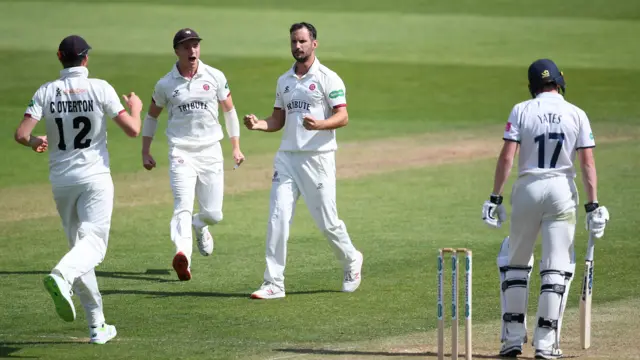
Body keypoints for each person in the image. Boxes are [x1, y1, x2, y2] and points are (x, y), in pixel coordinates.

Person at [14, 35, 142, 344]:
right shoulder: (100, 88)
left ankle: (97, 325)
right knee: (93, 245)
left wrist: (35, 142)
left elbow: (21, 134)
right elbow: (133, 129)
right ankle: (61, 276)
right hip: (94, 176)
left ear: (60, 58)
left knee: (80, 250)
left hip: (62, 181)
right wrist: (135, 107)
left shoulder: (46, 91)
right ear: (85, 59)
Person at [481, 58, 610, 359]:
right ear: (559, 83)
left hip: (528, 188)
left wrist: (495, 197)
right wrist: (593, 206)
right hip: (562, 191)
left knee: (515, 261)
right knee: (557, 266)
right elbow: (587, 163)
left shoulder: (522, 109)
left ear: (532, 86)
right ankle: (546, 344)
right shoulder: (577, 113)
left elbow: (506, 158)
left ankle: (512, 340)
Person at [243, 22, 363, 300]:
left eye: (302, 42)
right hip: (286, 158)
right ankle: (274, 283)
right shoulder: (284, 80)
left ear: (314, 44)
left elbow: (342, 116)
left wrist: (320, 125)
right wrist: (259, 124)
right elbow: (278, 119)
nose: (297, 47)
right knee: (277, 217)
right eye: (293, 42)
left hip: (317, 158)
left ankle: (351, 259)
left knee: (327, 222)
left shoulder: (328, 77)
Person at [141, 28, 245, 281]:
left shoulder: (215, 76)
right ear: (177, 51)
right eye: (187, 46)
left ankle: (200, 225)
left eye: (196, 45)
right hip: (181, 151)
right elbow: (152, 116)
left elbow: (229, 112)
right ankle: (183, 256)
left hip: (210, 149)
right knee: (182, 207)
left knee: (214, 214)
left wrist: (236, 146)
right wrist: (145, 150)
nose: (193, 50)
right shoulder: (165, 84)